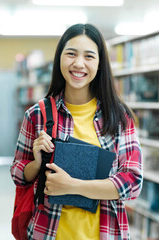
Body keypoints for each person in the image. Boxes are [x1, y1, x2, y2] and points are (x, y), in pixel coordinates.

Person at [11, 23, 143, 240]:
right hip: (48, 233)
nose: (79, 63)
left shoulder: (118, 117)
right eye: (71, 54)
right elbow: (17, 173)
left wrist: (73, 186)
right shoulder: (37, 115)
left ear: (100, 63)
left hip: (104, 234)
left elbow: (133, 182)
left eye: (89, 56)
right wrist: (35, 164)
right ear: (59, 58)